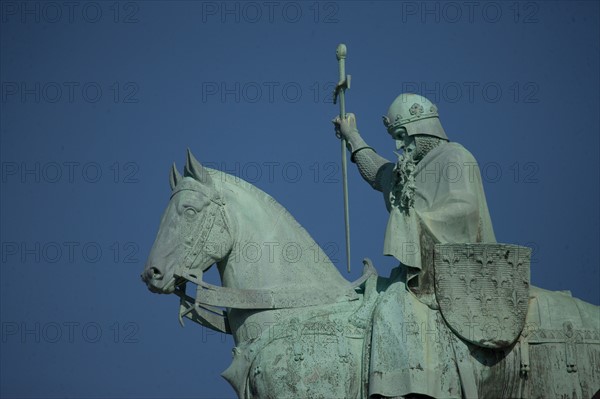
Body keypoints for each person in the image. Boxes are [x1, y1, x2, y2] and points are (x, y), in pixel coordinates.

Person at [333, 93, 496, 398]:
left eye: (400, 136)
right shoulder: (410, 168)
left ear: (422, 128)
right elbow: (378, 173)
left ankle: (407, 388)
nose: (397, 146)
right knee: (380, 300)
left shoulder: (455, 157)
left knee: (394, 306)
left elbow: (465, 210)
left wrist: (414, 221)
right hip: (419, 274)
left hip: (454, 271)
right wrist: (352, 136)